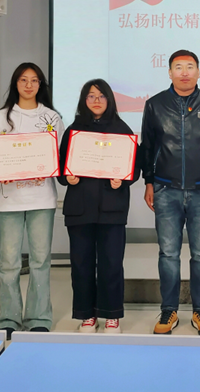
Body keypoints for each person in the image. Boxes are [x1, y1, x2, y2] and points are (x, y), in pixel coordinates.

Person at [141, 50, 200, 335]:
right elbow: (148, 147)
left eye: (190, 67)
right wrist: (149, 182)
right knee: (168, 254)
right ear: (169, 72)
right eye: (178, 67)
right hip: (166, 189)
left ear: (199, 72)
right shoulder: (155, 105)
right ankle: (169, 310)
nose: (184, 72)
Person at [58, 79, 139, 334]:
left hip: (112, 209)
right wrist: (67, 177)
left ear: (109, 100)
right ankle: (86, 315)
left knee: (111, 263)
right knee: (81, 264)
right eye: (91, 96)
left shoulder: (122, 129)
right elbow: (60, 165)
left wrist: (123, 179)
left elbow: (135, 166)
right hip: (79, 208)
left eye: (101, 96)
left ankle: (112, 315)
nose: (96, 100)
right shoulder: (73, 130)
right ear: (84, 100)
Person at [0, 63, 63, 337]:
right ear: (15, 83)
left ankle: (38, 317)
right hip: (8, 200)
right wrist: (1, 172)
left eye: (34, 80)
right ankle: (8, 318)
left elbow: (59, 155)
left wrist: (49, 167)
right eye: (23, 80)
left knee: (40, 261)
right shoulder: (0, 118)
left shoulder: (51, 117)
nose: (29, 85)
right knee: (9, 263)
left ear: (41, 85)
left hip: (41, 198)